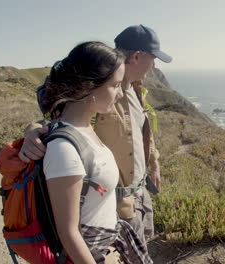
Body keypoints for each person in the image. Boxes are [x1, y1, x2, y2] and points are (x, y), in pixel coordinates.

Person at [20, 25, 172, 247]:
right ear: (137, 56)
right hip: (113, 206)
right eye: (153, 58)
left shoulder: (137, 89)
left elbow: (142, 132)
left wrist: (154, 162)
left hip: (140, 194)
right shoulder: (98, 93)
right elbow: (62, 121)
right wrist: (32, 130)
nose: (155, 65)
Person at [36, 41, 151, 264]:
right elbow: (69, 234)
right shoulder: (65, 150)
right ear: (88, 86)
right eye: (115, 85)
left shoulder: (85, 128)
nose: (120, 94)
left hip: (107, 247)